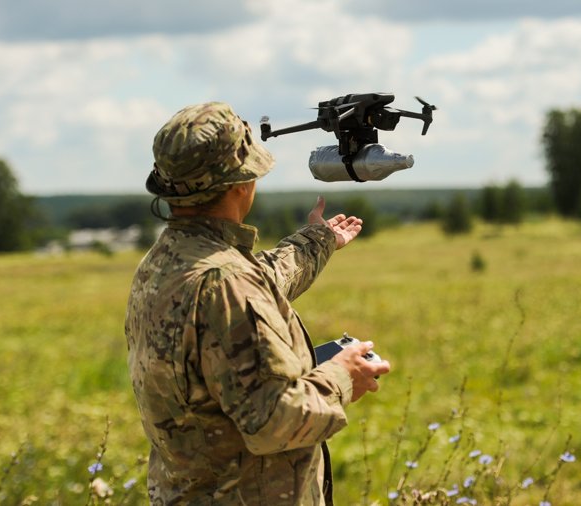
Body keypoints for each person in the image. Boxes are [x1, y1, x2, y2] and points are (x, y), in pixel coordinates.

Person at [125, 102, 391, 505]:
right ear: (240, 183)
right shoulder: (224, 283)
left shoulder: (165, 262)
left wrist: (318, 241)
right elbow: (274, 422)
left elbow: (258, 279)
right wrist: (342, 375)